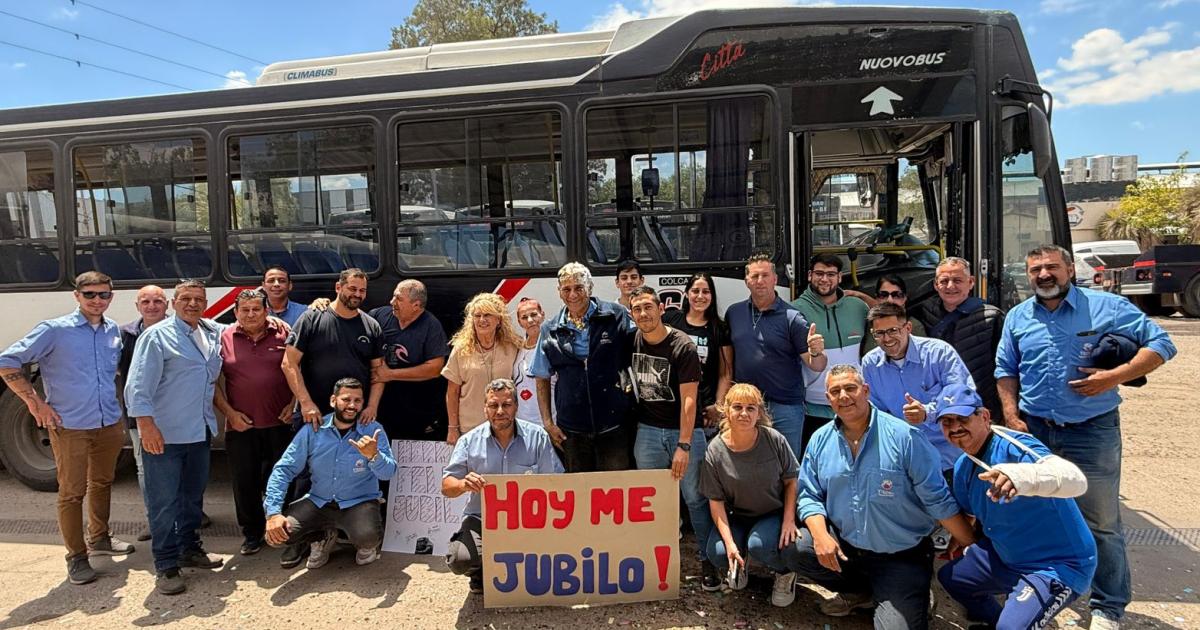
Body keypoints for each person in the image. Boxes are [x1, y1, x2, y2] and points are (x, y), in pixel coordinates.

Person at [995, 244, 1176, 630]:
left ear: (1069, 270)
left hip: (1091, 431)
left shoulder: (1106, 307)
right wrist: (1011, 414)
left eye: (1052, 268)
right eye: (1036, 269)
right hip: (1037, 430)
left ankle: (1107, 606)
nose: (1044, 275)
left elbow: (1162, 344)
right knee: (1040, 515)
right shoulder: (1018, 317)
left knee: (1102, 521)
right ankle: (1046, 588)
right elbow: (1006, 368)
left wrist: (1114, 377)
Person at [787, 365, 975, 628]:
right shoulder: (820, 439)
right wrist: (820, 536)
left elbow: (937, 499)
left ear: (866, 391)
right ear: (828, 399)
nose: (843, 396)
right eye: (835, 391)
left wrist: (971, 543)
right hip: (848, 549)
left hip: (900, 556)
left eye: (850, 388)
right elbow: (809, 494)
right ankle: (861, 592)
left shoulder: (905, 438)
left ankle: (909, 592)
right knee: (797, 548)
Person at [0, 271, 134, 586]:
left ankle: (99, 537)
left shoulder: (112, 329)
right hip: (69, 425)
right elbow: (7, 361)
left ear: (111, 297)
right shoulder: (54, 330)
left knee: (102, 481)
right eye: (90, 294)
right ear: (77, 296)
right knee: (72, 492)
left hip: (108, 422)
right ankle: (76, 557)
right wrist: (34, 403)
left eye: (103, 294)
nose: (97, 300)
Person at [934, 383, 1096, 630]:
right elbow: (968, 517)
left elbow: (1075, 480)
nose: (955, 427)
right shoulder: (963, 468)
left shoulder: (1016, 446)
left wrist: (1022, 477)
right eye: (947, 422)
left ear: (984, 416)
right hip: (1006, 558)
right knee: (951, 578)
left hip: (1057, 565)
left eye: (962, 418)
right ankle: (1000, 621)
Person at [124, 280, 224, 595]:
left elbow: (242, 325)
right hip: (164, 435)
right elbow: (137, 386)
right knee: (163, 503)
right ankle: (166, 565)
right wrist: (146, 426)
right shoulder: (156, 337)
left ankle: (190, 548)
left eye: (198, 299)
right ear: (174, 302)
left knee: (192, 498)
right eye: (186, 298)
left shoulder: (209, 332)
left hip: (199, 431)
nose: (193, 304)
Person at [280, 268, 384, 567]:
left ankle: (352, 535)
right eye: (352, 288)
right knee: (305, 477)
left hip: (355, 418)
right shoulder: (312, 318)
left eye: (361, 291)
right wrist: (306, 403)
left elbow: (378, 373)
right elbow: (289, 364)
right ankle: (305, 542)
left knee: (355, 474)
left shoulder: (371, 326)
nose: (357, 295)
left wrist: (372, 406)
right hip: (314, 417)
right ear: (338, 286)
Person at [626, 286, 715, 586]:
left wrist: (684, 445)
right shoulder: (632, 339)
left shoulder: (682, 345)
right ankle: (654, 565)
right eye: (637, 309)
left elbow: (690, 400)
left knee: (695, 500)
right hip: (647, 432)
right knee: (651, 502)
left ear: (661, 308)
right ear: (631, 313)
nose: (643, 314)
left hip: (684, 432)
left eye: (648, 307)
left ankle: (707, 561)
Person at [443, 378, 564, 593]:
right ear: (485, 408)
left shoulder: (538, 437)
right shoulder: (469, 441)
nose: (500, 411)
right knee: (459, 559)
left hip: (528, 520)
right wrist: (463, 484)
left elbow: (556, 483)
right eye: (493, 405)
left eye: (506, 404)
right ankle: (479, 573)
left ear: (516, 406)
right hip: (482, 517)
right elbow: (447, 486)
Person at [263, 378, 396, 569]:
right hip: (319, 501)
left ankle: (366, 546)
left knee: (367, 536)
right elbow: (284, 469)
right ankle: (323, 537)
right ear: (333, 401)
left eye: (357, 401)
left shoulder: (373, 430)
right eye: (346, 399)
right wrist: (273, 513)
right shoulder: (313, 429)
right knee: (278, 535)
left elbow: (388, 473)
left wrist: (374, 456)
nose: (352, 405)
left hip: (359, 502)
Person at [700, 383, 800, 605]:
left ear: (759, 413)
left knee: (760, 545)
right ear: (726, 411)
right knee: (717, 552)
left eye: (750, 408)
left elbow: (792, 480)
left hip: (772, 512)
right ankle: (739, 561)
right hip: (737, 515)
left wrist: (789, 520)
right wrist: (729, 543)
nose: (744, 414)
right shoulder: (715, 450)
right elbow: (715, 501)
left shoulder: (774, 439)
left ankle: (785, 573)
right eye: (737, 407)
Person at [531, 262, 636, 472]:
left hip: (614, 426)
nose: (573, 294)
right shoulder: (549, 329)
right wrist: (548, 423)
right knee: (581, 495)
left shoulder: (616, 315)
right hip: (572, 430)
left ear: (590, 287)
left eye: (579, 287)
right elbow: (541, 376)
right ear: (559, 292)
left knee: (615, 492)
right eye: (566, 289)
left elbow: (639, 351)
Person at [214, 289, 295, 556]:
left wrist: (293, 402)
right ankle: (251, 533)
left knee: (283, 479)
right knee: (244, 482)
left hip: (280, 423)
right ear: (235, 313)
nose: (250, 314)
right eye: (245, 310)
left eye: (256, 309)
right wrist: (229, 414)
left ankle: (284, 529)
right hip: (241, 426)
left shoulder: (284, 333)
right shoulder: (223, 336)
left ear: (266, 311)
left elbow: (300, 369)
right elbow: (212, 383)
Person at [724, 253, 827, 457]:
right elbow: (726, 362)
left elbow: (816, 365)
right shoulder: (733, 313)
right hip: (746, 406)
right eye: (754, 276)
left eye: (765, 275)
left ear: (775, 279)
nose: (759, 281)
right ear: (746, 281)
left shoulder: (793, 318)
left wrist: (816, 352)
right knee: (747, 466)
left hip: (785, 407)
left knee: (787, 468)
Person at [861, 302, 974, 473]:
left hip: (950, 457)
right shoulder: (870, 363)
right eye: (880, 333)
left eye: (893, 330)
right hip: (904, 460)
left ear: (908, 327)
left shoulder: (940, 353)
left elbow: (962, 398)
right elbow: (876, 412)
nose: (887, 338)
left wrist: (927, 413)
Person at [791, 254, 869, 455]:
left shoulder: (859, 308)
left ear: (840, 278)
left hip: (853, 405)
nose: (824, 279)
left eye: (831, 274)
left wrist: (864, 297)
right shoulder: (794, 310)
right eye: (819, 273)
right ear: (809, 275)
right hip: (813, 409)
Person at [912, 257, 1005, 418]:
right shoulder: (924, 311)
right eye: (944, 281)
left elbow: (1004, 367)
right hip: (937, 406)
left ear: (971, 282)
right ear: (935, 284)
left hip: (979, 406)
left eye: (957, 280)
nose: (950, 286)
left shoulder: (991, 317)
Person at [118, 284, 170, 542]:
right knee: (146, 469)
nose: (152, 306)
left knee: (181, 467)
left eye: (157, 301)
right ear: (137, 306)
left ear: (167, 305)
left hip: (175, 413)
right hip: (141, 416)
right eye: (146, 302)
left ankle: (190, 515)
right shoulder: (125, 335)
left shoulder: (180, 331)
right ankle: (156, 520)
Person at [368, 279, 449, 441]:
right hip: (382, 409)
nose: (392, 302)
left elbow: (435, 368)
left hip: (416, 411)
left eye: (398, 299)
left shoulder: (431, 326)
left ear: (416, 305)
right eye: (393, 297)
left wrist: (390, 374)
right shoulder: (378, 316)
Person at [443, 292, 521, 445]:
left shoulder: (512, 346)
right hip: (471, 428)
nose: (482, 320)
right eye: (477, 316)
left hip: (506, 426)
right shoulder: (461, 349)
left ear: (498, 320)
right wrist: (453, 428)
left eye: (487, 315)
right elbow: (452, 392)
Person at [663, 272, 733, 439]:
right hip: (672, 409)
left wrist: (718, 407)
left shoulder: (719, 328)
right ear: (687, 294)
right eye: (695, 291)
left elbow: (726, 373)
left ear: (712, 296)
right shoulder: (670, 320)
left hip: (705, 414)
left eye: (706, 292)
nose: (700, 296)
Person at [861, 274, 925, 354]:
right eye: (883, 295)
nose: (890, 300)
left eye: (896, 295)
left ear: (904, 298)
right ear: (876, 298)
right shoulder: (870, 323)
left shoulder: (915, 326)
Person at [512, 297, 552, 425]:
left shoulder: (553, 345)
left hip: (551, 422)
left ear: (542, 315)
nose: (530, 320)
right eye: (524, 317)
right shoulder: (517, 348)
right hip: (522, 424)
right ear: (519, 322)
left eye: (534, 315)